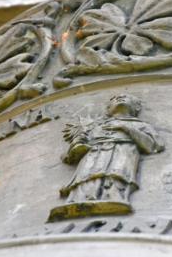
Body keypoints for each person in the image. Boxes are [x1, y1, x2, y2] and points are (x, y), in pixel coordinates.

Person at [50, 94, 164, 222]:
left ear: (136, 107)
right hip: (95, 152)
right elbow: (77, 146)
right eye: (114, 99)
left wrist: (125, 128)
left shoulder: (140, 125)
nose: (119, 99)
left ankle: (115, 198)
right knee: (86, 176)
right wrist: (77, 145)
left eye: (125, 98)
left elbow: (154, 145)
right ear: (108, 109)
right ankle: (78, 200)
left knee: (117, 174)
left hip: (122, 150)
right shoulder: (96, 125)